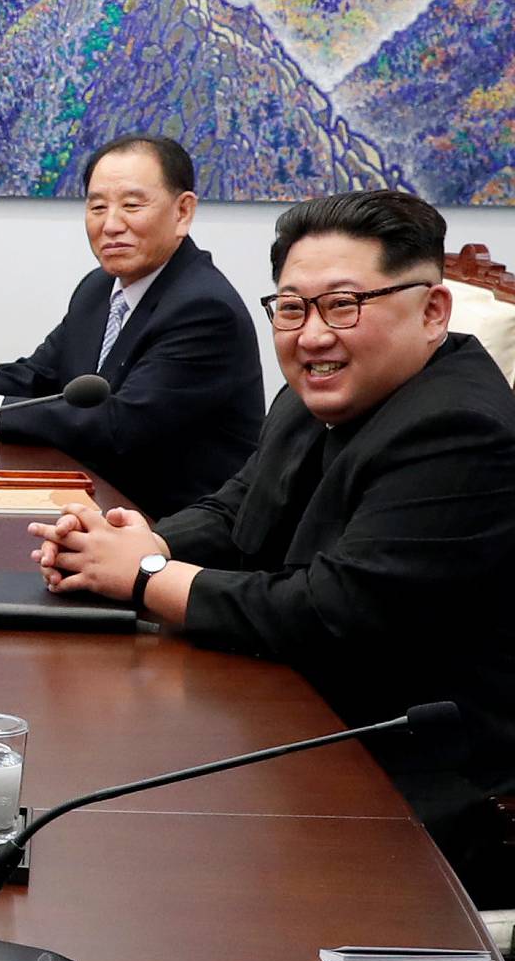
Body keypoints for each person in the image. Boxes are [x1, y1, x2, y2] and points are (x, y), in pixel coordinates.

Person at [31, 188, 515, 901]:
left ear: (432, 311)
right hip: (299, 716)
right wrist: (138, 540)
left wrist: (145, 578)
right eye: (292, 308)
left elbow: (330, 611)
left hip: (420, 783)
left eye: (344, 304)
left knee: (143, 874)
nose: (313, 335)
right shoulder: (320, 388)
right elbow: (241, 507)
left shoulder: (460, 430)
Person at [0, 134, 264, 518]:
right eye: (97, 207)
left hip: (172, 529)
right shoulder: (99, 287)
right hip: (95, 503)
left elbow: (121, 426)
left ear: (183, 212)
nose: (111, 224)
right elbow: (41, 376)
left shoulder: (203, 309)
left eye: (132, 205)